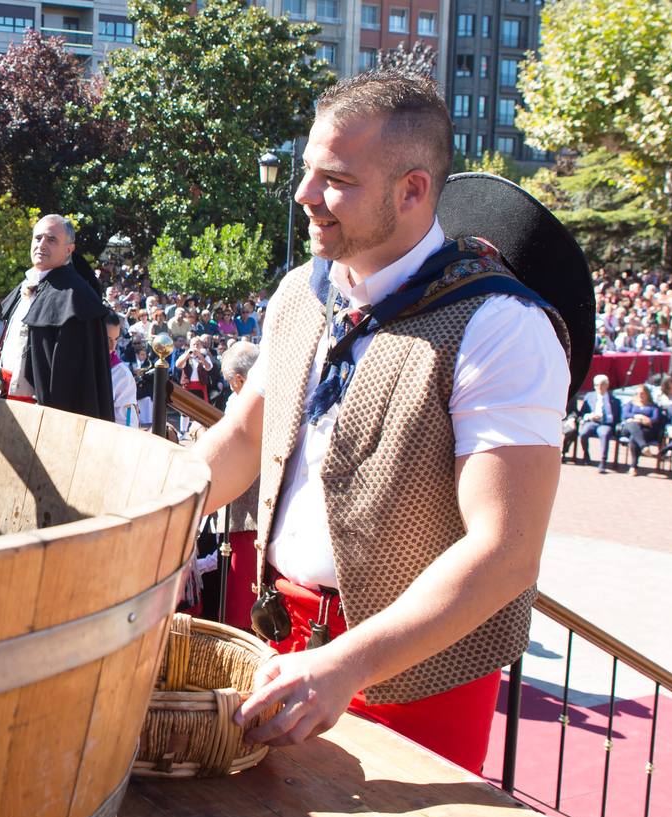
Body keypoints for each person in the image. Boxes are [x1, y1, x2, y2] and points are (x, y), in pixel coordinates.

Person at [193, 70, 571, 771]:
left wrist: (346, 664)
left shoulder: (502, 327)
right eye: (306, 170)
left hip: (419, 671)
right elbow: (245, 437)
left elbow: (506, 551)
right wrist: (135, 513)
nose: (304, 195)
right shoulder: (297, 295)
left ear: (413, 190)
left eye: (335, 179)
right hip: (281, 634)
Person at [0, 214, 113, 419]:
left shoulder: (77, 298)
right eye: (37, 238)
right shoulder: (26, 286)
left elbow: (74, 380)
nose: (41, 245)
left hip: (44, 412)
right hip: (6, 399)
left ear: (69, 249)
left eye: (51, 239)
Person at [574, 374, 623, 471]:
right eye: (597, 385)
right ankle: (586, 455)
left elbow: (617, 418)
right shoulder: (589, 396)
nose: (599, 387)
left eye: (602, 384)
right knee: (583, 433)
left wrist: (607, 418)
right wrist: (589, 416)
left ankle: (603, 461)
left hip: (605, 424)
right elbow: (582, 413)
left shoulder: (614, 400)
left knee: (604, 434)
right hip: (592, 422)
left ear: (607, 385)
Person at [618, 384, 665, 476]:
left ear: (647, 394)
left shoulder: (653, 406)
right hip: (628, 428)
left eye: (642, 393)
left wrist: (644, 420)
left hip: (645, 430)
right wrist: (638, 417)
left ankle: (633, 467)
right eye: (638, 393)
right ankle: (644, 446)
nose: (640, 395)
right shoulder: (630, 404)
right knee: (632, 424)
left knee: (633, 438)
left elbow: (655, 418)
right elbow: (625, 415)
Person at [106, 312, 138, 427]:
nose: (112, 347)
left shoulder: (121, 374)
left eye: (115, 339)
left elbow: (128, 425)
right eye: (107, 339)